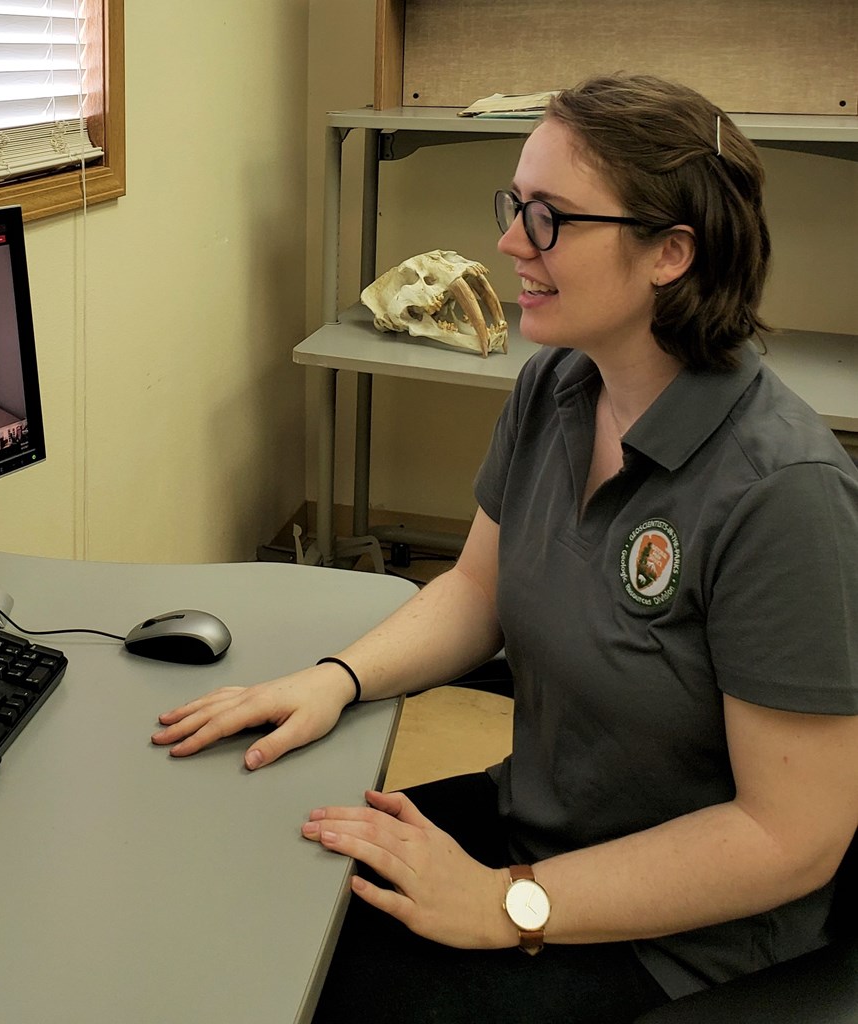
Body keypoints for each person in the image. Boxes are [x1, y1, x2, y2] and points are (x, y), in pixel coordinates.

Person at [152, 74, 858, 1022]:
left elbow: (793, 836)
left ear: (670, 253)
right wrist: (337, 677)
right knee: (260, 901)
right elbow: (479, 587)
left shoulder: (784, 493)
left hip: (684, 931)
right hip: (536, 823)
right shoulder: (558, 386)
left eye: (551, 218)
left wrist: (507, 902)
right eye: (515, 205)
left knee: (323, 997)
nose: (510, 241)